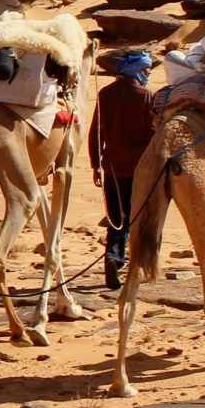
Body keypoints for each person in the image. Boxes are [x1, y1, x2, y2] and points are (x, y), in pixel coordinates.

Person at [87, 50, 157, 289]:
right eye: (146, 70)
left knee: (117, 219)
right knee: (140, 218)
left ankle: (113, 258)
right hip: (140, 170)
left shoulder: (105, 94)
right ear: (136, 70)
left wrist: (96, 164)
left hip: (112, 168)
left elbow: (96, 132)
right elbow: (153, 135)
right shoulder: (145, 96)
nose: (147, 74)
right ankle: (143, 265)